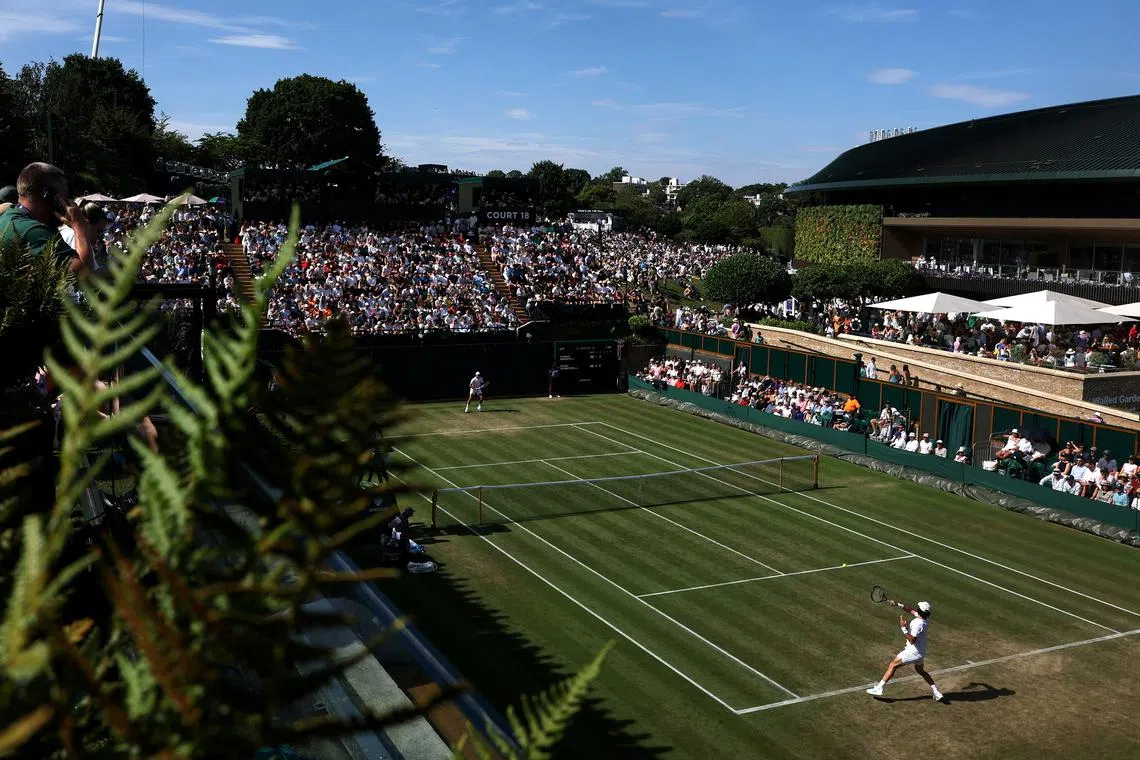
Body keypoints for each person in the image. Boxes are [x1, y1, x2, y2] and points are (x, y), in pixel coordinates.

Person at [0, 162, 94, 274]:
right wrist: (79, 227)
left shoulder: (9, 216)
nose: (68, 203)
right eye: (65, 196)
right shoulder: (32, 231)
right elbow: (84, 275)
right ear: (48, 196)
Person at [866, 600, 943, 701]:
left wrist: (903, 628)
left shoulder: (918, 624)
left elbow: (912, 640)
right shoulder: (925, 618)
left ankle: (879, 688)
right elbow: (910, 610)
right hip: (921, 651)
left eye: (918, 608)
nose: (916, 609)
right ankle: (936, 691)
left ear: (920, 611)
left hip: (913, 652)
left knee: (893, 665)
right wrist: (898, 604)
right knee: (920, 671)